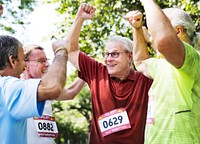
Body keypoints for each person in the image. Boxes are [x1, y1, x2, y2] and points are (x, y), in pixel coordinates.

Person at [63, 3, 153, 144]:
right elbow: (70, 50)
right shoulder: (97, 73)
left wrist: (141, 32)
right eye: (106, 54)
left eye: (115, 54)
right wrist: (79, 18)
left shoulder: (145, 78)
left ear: (130, 56)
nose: (108, 59)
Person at [125, 0, 200, 143]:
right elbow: (140, 62)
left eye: (154, 32)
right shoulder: (163, 64)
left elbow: (164, 41)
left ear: (178, 31)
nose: (152, 38)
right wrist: (138, 29)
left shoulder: (193, 59)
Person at [0, 34, 68, 144]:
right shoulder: (8, 87)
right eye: (22, 60)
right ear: (12, 61)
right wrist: (61, 52)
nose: (24, 67)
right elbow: (53, 87)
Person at [22, 44, 85, 144]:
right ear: (25, 65)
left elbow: (71, 92)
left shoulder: (45, 90)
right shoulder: (17, 89)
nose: (47, 64)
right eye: (41, 61)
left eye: (47, 60)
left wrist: (87, 71)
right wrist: (61, 50)